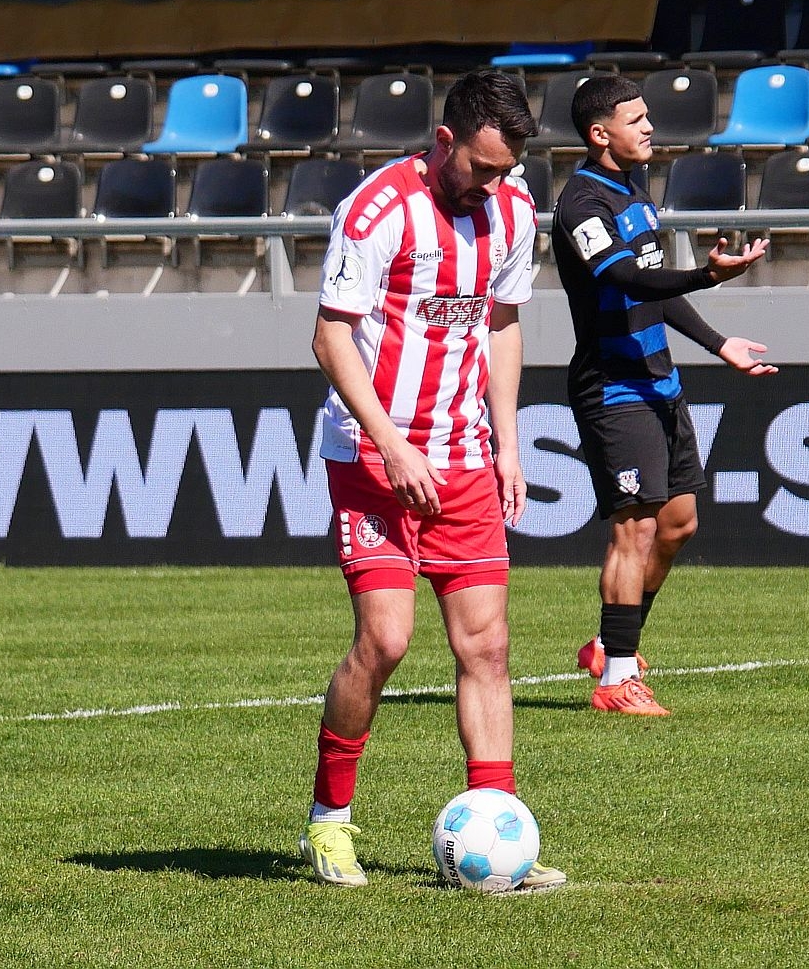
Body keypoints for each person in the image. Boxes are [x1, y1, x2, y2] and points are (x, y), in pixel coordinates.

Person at [299, 69, 564, 892]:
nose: (495, 183)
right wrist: (391, 444)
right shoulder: (377, 210)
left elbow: (503, 325)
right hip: (372, 458)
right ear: (444, 140)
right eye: (482, 167)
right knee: (385, 640)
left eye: (507, 170)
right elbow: (330, 338)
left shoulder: (512, 211)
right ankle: (328, 823)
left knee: (487, 645)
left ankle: (502, 832)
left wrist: (508, 445)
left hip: (464, 458)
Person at [556, 75, 774, 716]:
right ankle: (615, 682)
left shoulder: (633, 187)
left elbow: (653, 287)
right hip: (613, 386)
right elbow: (624, 277)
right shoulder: (581, 203)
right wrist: (706, 274)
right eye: (637, 119)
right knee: (636, 528)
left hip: (659, 381)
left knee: (678, 524)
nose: (650, 127)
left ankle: (608, 644)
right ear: (600, 133)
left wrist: (719, 343)